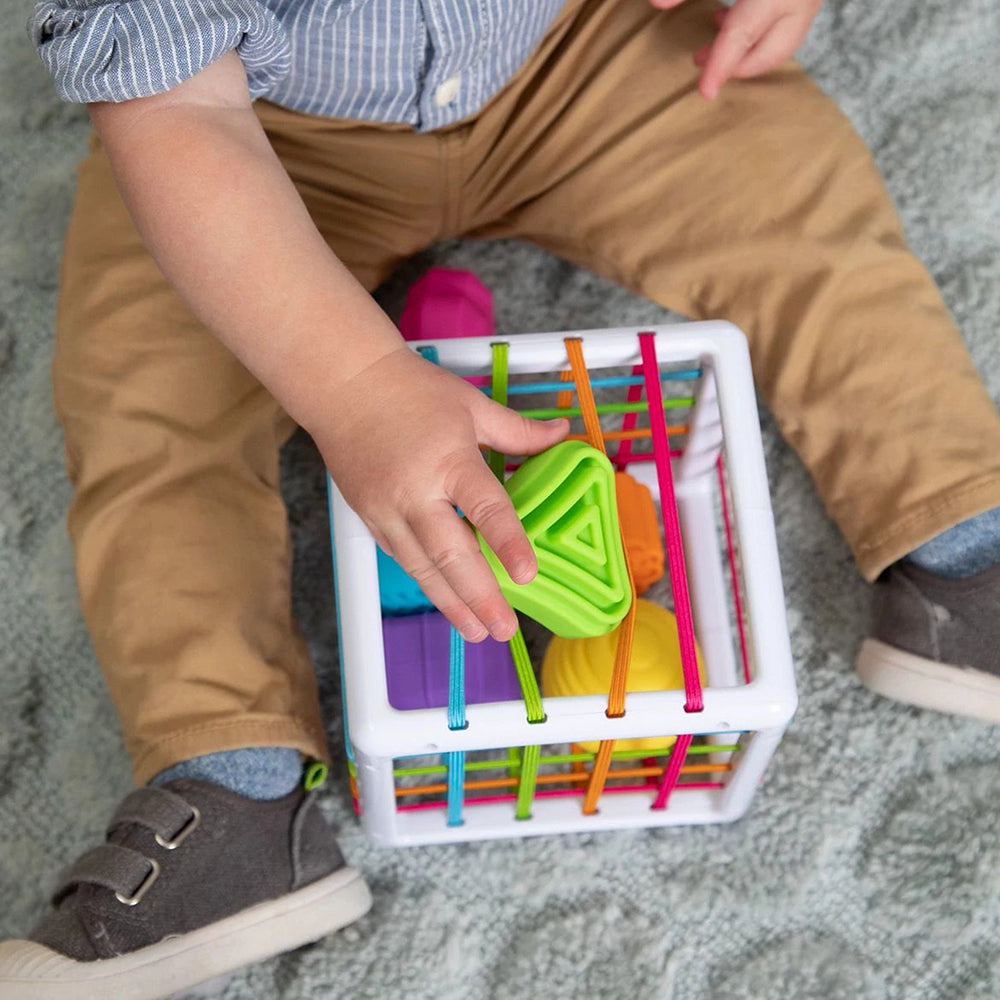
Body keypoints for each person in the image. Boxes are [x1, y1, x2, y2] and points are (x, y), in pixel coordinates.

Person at [3, 0, 1000, 996]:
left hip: (576, 59)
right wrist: (355, 388)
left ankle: (964, 547)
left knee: (799, 207)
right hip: (246, 137)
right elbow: (170, 108)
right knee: (150, 395)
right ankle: (234, 781)